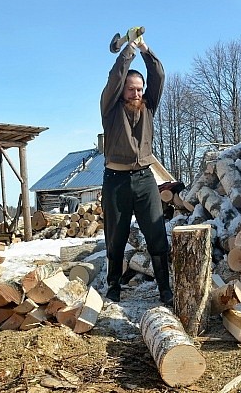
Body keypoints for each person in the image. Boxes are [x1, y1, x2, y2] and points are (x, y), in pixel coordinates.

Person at [100, 26, 172, 305]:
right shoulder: (110, 107)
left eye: (139, 89)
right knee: (115, 238)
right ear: (122, 92)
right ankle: (114, 286)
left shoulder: (148, 107)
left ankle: (164, 288)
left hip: (144, 180)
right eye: (131, 89)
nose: (136, 93)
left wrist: (144, 48)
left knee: (156, 233)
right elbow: (115, 76)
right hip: (115, 181)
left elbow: (159, 76)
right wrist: (128, 49)